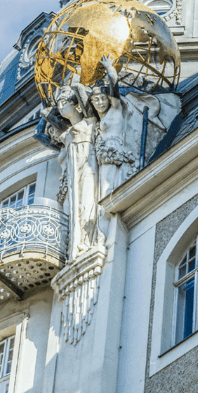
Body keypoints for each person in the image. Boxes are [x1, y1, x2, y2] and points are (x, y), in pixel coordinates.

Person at [55, 84, 100, 257]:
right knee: (74, 208)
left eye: (64, 101)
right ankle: (77, 244)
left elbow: (83, 96)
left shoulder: (90, 122)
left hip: (89, 167)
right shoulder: (66, 135)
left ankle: (89, 240)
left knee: (88, 205)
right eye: (58, 103)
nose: (60, 106)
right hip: (74, 174)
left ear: (76, 104)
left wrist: (75, 86)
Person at [89, 55, 136, 201]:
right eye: (96, 100)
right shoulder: (99, 118)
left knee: (108, 191)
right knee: (101, 192)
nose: (100, 102)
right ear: (91, 102)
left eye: (103, 98)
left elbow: (114, 89)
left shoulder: (115, 110)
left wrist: (110, 69)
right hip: (103, 157)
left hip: (113, 153)